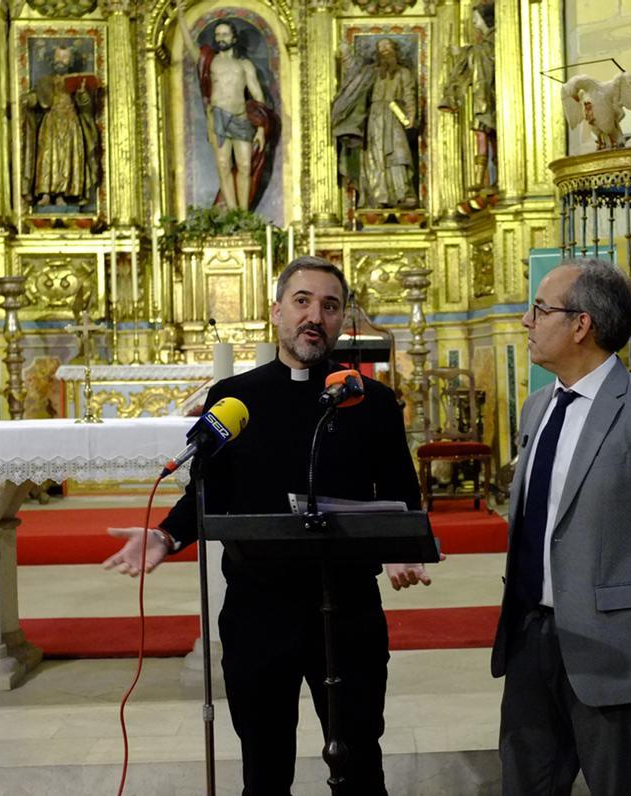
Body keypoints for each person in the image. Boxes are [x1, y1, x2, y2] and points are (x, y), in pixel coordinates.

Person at [103, 257, 432, 794]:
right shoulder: (235, 400)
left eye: (329, 305)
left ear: (342, 317)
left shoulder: (371, 402)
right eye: (302, 301)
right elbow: (206, 490)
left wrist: (400, 545)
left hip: (347, 610)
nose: (315, 316)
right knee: (264, 766)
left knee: (359, 762)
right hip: (259, 611)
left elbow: (400, 492)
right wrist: (165, 535)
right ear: (276, 311)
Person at [492, 258, 631, 795]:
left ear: (581, 325)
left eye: (541, 309)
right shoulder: (537, 407)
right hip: (530, 636)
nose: (527, 320)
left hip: (613, 647)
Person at [177, 3, 277, 210]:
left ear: (233, 38)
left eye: (225, 34)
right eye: (218, 35)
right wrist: (180, 18)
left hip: (241, 118)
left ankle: (243, 212)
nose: (221, 38)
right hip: (219, 117)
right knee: (223, 165)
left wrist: (260, 128)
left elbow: (258, 97)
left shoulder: (244, 65)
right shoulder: (209, 61)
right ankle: (233, 212)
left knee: (245, 165)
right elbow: (189, 46)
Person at [331, 38, 419, 208]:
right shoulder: (371, 73)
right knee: (373, 157)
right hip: (372, 118)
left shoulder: (403, 73)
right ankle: (377, 197)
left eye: (387, 45)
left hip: (394, 116)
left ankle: (403, 193)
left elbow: (409, 94)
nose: (384, 49)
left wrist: (412, 115)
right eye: (380, 47)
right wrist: (346, 54)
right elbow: (353, 74)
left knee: (398, 154)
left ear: (395, 50)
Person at [22, 45, 100, 209]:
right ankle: (45, 194)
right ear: (53, 59)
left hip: (71, 122)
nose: (60, 61)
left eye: (65, 58)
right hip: (51, 121)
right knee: (47, 157)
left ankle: (62, 195)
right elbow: (38, 97)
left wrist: (81, 93)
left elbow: (86, 107)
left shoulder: (76, 80)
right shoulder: (45, 81)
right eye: (58, 57)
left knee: (67, 158)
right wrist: (29, 100)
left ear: (70, 61)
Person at [439, 3, 496, 190]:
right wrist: (463, 52)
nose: (473, 21)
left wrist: (462, 53)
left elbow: (486, 55)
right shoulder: (485, 43)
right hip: (481, 99)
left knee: (489, 136)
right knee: (482, 135)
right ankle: (481, 179)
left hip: (489, 99)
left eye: (476, 17)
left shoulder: (494, 40)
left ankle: (491, 177)